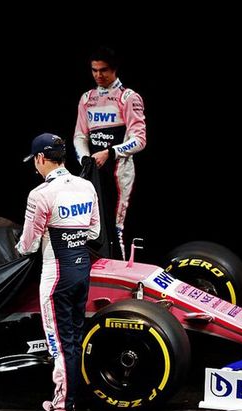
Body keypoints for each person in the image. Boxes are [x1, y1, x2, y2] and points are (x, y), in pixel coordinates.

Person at [16, 133, 100, 411]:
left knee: (60, 346)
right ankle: (66, 400)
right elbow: (93, 232)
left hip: (56, 278)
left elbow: (28, 245)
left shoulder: (40, 194)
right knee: (73, 340)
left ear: (40, 159)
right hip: (81, 272)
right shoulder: (86, 186)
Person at [74, 46, 146, 260]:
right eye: (94, 70)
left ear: (114, 69)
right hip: (94, 172)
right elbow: (80, 135)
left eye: (103, 70)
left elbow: (140, 140)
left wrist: (110, 152)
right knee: (94, 226)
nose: (98, 75)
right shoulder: (87, 98)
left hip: (118, 173)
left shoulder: (129, 97)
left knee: (117, 229)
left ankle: (123, 276)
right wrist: (84, 158)